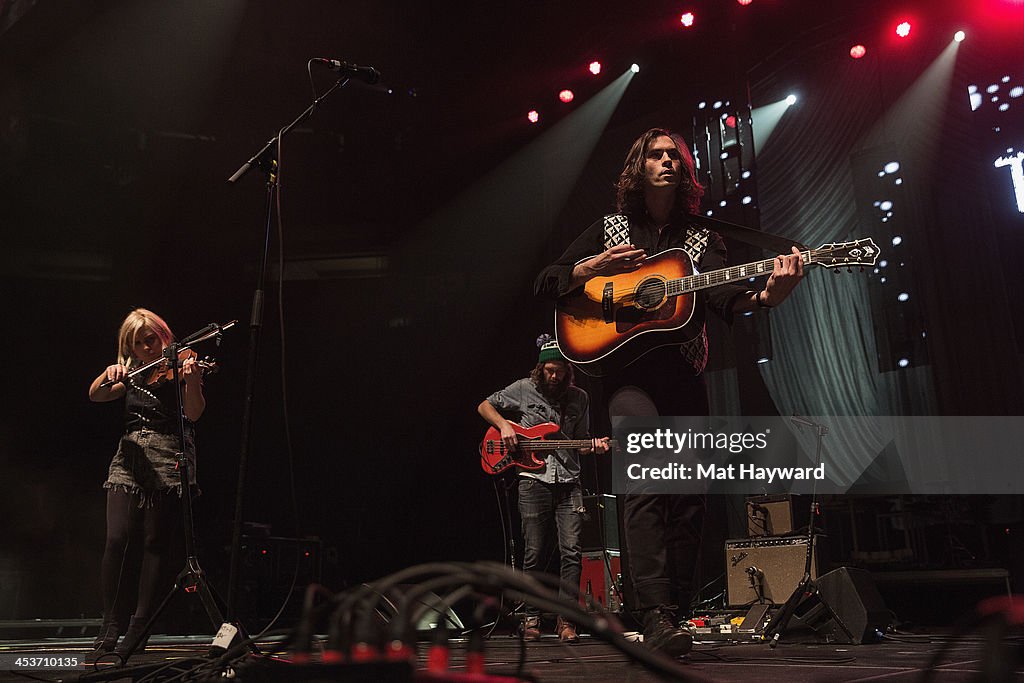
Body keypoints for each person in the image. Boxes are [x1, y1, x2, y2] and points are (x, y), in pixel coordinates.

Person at [534, 128, 804, 656]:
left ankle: (674, 611)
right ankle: (652, 611)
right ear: (639, 166)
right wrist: (589, 268)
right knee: (647, 481)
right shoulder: (610, 229)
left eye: (674, 156)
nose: (667, 162)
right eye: (656, 155)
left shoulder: (704, 240)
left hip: (682, 373)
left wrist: (770, 295)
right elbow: (547, 280)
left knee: (688, 497)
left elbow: (729, 298)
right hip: (628, 377)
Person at [87, 308, 206, 658]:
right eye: (137, 343)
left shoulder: (181, 362)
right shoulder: (130, 373)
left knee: (155, 542)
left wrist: (193, 380)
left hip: (170, 449)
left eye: (151, 339)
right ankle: (110, 622)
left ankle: (139, 627)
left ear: (164, 335)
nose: (146, 348)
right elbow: (96, 394)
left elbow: (195, 412)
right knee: (116, 538)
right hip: (130, 453)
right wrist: (109, 373)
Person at [477, 337, 610, 643]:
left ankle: (567, 620)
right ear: (540, 368)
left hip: (569, 481)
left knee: (572, 553)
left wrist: (593, 446)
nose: (554, 376)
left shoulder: (580, 398)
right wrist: (505, 426)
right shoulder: (523, 388)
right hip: (532, 479)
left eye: (560, 371)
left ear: (567, 371)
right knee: (534, 552)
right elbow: (484, 405)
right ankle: (531, 618)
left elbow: (582, 439)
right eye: (549, 370)